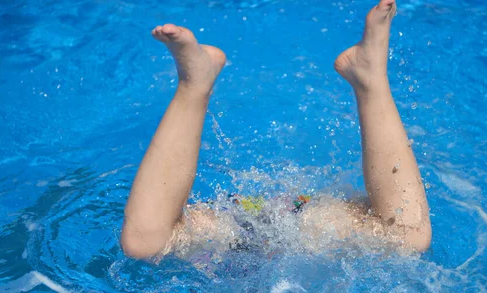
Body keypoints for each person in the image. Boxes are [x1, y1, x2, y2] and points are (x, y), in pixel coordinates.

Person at [121, 0, 431, 262]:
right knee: (143, 245)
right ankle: (194, 84)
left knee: (408, 241)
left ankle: (370, 77)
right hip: (249, 223)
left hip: (287, 220)